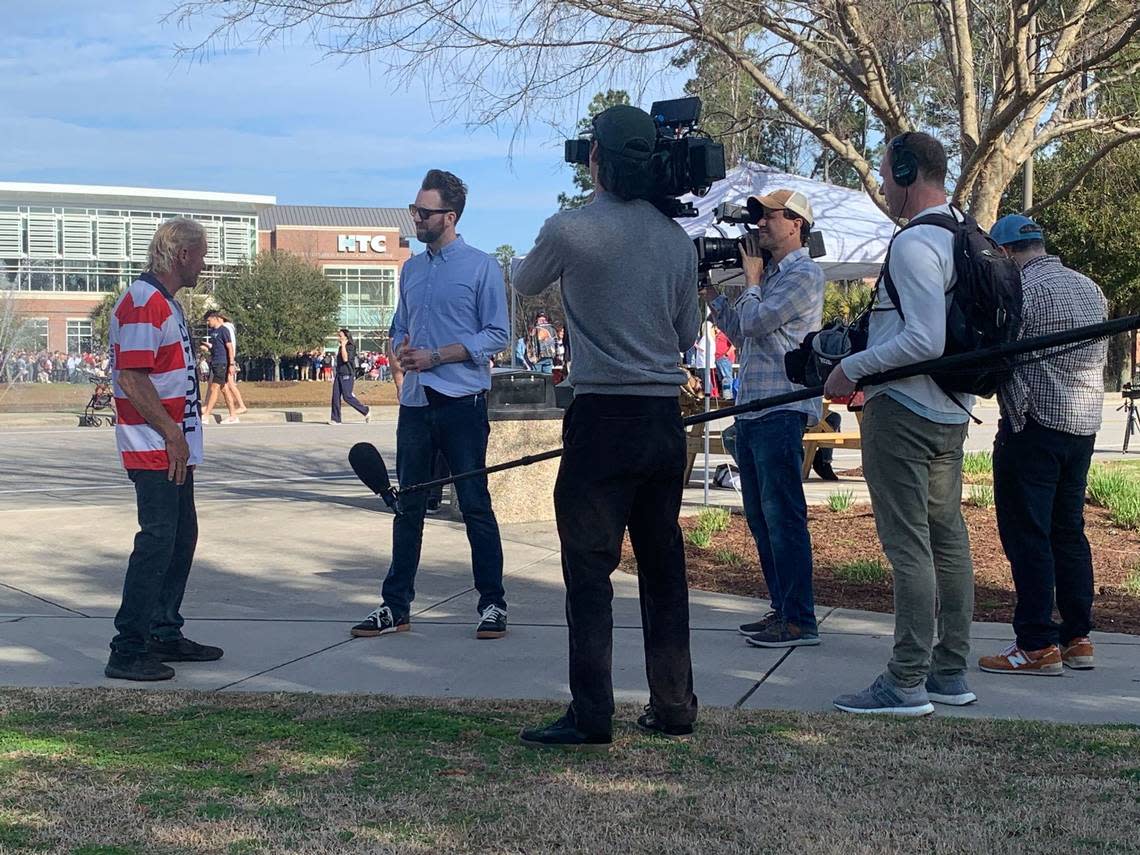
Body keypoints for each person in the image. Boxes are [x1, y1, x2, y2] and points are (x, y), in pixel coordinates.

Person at [513, 104, 701, 749]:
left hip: (600, 418)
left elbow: (523, 278)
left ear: (595, 159)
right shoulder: (677, 241)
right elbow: (687, 334)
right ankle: (674, 702)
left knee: (589, 571)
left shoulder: (571, 230)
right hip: (660, 418)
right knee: (662, 562)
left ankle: (593, 713)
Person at [825, 132, 975, 715]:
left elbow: (923, 338)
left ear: (909, 171)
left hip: (903, 409)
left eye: (888, 174)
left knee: (910, 547)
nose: (884, 186)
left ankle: (905, 680)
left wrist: (850, 368)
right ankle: (949, 672)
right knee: (949, 540)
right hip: (949, 409)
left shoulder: (915, 244)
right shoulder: (964, 233)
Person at [351, 169, 509, 642]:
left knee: (475, 504)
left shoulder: (482, 267)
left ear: (450, 216)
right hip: (416, 404)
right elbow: (401, 324)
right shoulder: (411, 269)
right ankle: (395, 605)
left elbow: (497, 334)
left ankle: (493, 603)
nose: (415, 218)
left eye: (424, 211)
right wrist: (400, 350)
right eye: (414, 209)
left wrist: (440, 355)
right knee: (409, 507)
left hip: (463, 401)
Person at [977, 215, 1108, 675]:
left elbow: (998, 357)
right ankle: (1078, 637)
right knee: (1068, 533)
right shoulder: (1090, 288)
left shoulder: (1021, 291)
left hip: (1033, 425)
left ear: (1006, 251)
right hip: (1083, 428)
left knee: (1027, 535)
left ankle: (1035, 642)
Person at [701, 189, 825, 649]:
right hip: (754, 409)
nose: (759, 226)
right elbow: (740, 330)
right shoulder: (770, 276)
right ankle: (782, 609)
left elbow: (756, 321)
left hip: (781, 409)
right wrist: (712, 295)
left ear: (795, 223)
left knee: (783, 516)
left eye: (768, 217)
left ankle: (800, 621)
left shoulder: (804, 274)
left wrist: (751, 280)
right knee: (760, 517)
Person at [104, 217, 222, 681]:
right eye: (202, 255)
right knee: (157, 542)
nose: (204, 263)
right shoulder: (142, 302)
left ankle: (163, 630)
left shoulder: (164, 303)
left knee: (179, 538)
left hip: (174, 445)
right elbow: (131, 377)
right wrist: (172, 433)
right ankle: (128, 646)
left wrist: (182, 437)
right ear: (181, 255)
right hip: (154, 445)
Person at [201, 311, 239, 424]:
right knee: (224, 389)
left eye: (209, 320)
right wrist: (208, 347)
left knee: (214, 388)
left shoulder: (224, 330)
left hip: (222, 363)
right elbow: (216, 348)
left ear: (215, 318)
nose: (208, 323)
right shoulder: (213, 332)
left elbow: (230, 348)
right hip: (215, 362)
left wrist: (231, 364)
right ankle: (233, 415)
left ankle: (206, 415)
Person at [330, 328, 372, 424]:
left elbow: (345, 359)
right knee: (335, 396)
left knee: (347, 396)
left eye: (340, 336)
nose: (338, 338)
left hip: (347, 374)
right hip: (339, 374)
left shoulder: (350, 347)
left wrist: (344, 345)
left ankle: (365, 410)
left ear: (346, 337)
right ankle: (335, 418)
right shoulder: (341, 347)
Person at [220, 314, 248, 415]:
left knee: (230, 384)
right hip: (228, 359)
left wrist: (230, 361)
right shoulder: (229, 327)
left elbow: (230, 346)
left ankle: (241, 405)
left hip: (227, 359)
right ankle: (240, 406)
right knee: (229, 384)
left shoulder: (225, 328)